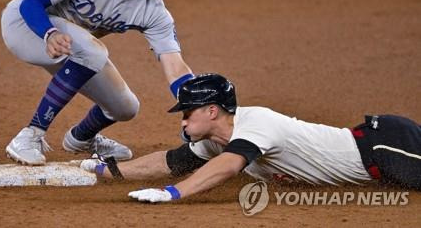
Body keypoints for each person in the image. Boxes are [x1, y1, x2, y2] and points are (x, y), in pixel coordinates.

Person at [1, 0, 195, 165]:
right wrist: (49, 33)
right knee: (93, 51)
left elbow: (175, 65)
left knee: (125, 107)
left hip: (74, 48)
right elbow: (31, 2)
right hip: (26, 25)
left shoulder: (154, 12)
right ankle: (30, 136)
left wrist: (197, 103)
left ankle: (82, 138)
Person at [80, 73, 421, 202]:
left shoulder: (256, 123)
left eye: (188, 112)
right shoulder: (213, 141)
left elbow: (230, 165)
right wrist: (104, 170)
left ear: (212, 111)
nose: (183, 119)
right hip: (376, 162)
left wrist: (175, 193)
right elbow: (170, 162)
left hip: (383, 147)